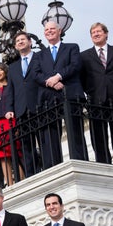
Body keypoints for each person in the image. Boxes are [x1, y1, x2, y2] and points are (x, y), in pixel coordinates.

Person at [31, 21, 86, 168]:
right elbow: (36, 74)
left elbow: (75, 65)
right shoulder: (38, 55)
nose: (49, 31)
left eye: (52, 29)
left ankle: (80, 161)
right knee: (50, 135)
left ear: (59, 31)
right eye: (46, 30)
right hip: (48, 98)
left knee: (75, 130)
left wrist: (59, 76)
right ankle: (53, 166)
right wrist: (52, 82)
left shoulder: (71, 47)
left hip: (70, 94)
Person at [80, 22, 113, 166]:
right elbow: (82, 78)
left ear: (106, 34)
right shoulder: (84, 56)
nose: (96, 34)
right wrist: (92, 92)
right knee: (99, 139)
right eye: (93, 33)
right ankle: (104, 166)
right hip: (96, 102)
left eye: (98, 31)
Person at [7, 31, 42, 177]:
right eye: (18, 41)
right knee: (26, 145)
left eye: (23, 39)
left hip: (39, 106)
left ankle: (47, 167)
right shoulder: (13, 67)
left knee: (43, 141)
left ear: (30, 42)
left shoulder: (40, 58)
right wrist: (10, 108)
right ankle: (31, 173)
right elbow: (10, 90)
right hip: (21, 110)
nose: (20, 42)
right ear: (15, 46)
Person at [0, 62, 23, 187]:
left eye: (0, 70)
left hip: (10, 122)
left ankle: (21, 180)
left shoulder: (11, 87)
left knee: (15, 152)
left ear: (5, 71)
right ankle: (10, 183)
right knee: (2, 155)